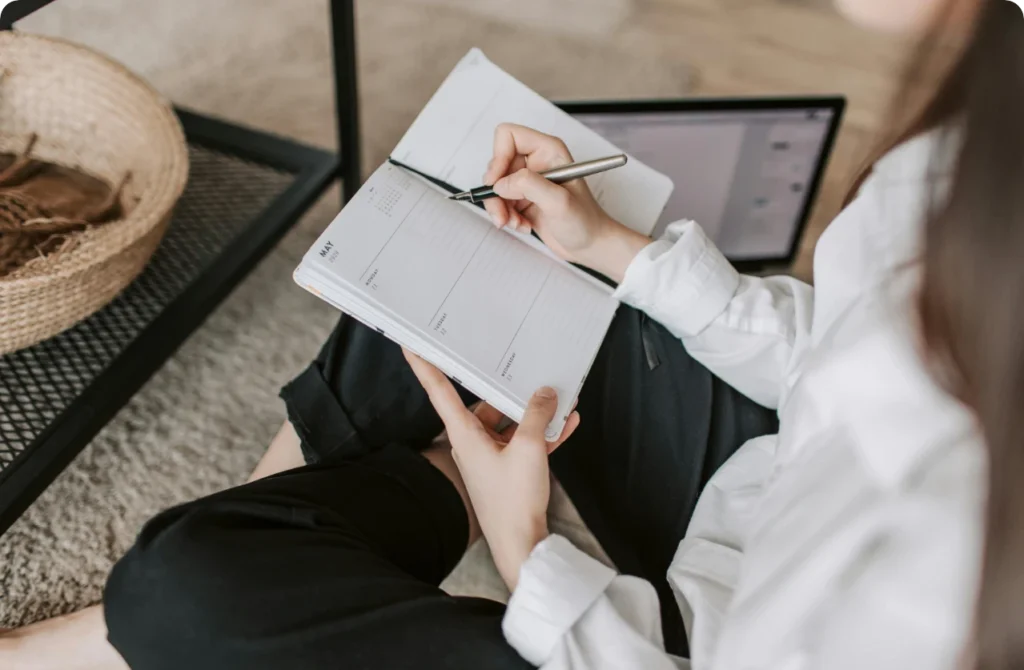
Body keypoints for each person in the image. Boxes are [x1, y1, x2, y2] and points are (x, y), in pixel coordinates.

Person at [3, 0, 1023, 666]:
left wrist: (526, 545)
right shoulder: (984, 117)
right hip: (764, 485)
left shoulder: (957, 569)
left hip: (690, 641)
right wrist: (615, 249)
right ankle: (290, 531)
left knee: (179, 591)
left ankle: (170, 609)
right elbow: (840, 352)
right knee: (474, 254)